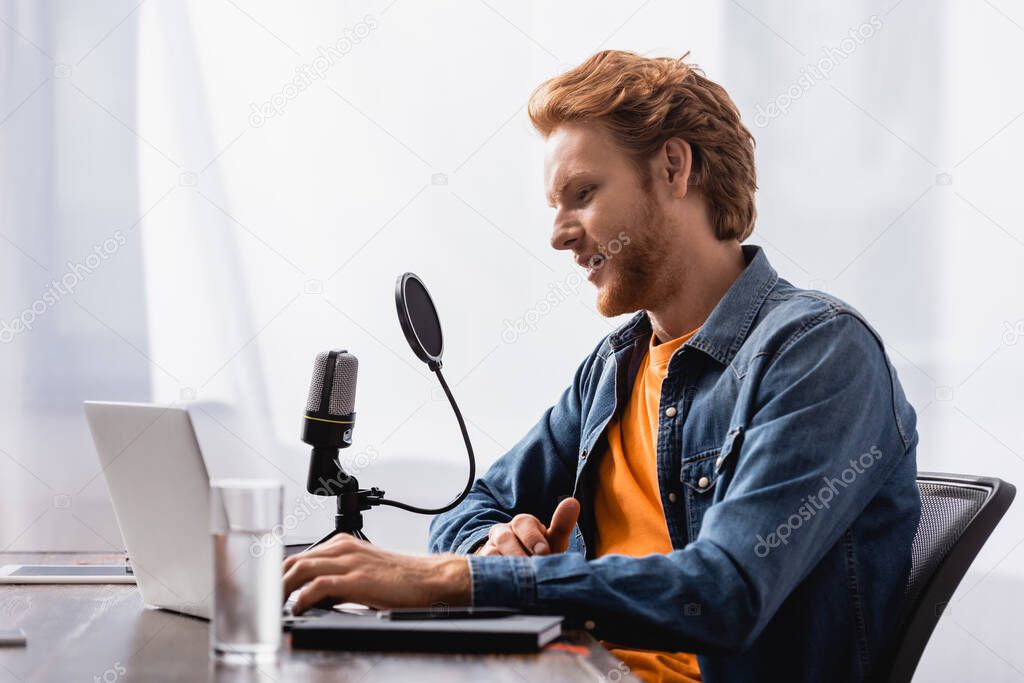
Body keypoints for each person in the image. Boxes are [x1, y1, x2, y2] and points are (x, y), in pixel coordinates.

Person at [283, 50, 921, 683]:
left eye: (582, 194)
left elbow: (725, 590)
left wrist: (459, 579)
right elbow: (475, 504)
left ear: (674, 167)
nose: (558, 234)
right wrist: (491, 548)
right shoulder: (615, 367)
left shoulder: (819, 352)